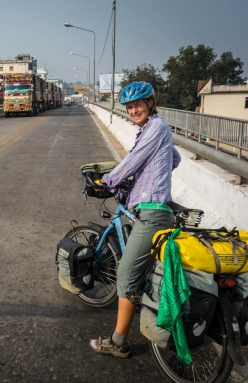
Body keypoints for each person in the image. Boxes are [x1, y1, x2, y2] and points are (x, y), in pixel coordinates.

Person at [89, 81, 181, 358]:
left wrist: (108, 181)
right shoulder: (153, 130)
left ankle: (117, 343)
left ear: (151, 103)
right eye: (129, 106)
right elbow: (173, 158)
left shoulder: (156, 127)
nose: (133, 110)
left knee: (125, 275)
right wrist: (146, 178)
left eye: (138, 104)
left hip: (152, 214)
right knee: (140, 270)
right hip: (152, 207)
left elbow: (135, 158)